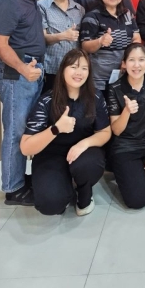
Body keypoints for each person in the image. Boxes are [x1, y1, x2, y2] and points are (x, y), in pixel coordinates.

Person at [20, 49, 110, 216]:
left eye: (84, 68)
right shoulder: (47, 100)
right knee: (50, 204)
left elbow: (105, 132)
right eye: (74, 67)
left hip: (83, 153)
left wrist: (84, 144)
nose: (79, 72)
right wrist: (56, 129)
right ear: (62, 70)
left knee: (87, 165)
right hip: (51, 156)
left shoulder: (95, 97)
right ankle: (65, 188)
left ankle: (84, 191)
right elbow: (26, 147)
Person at [0, 0, 47, 206]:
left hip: (30, 70)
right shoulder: (9, 1)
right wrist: (24, 69)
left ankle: (19, 179)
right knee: (16, 129)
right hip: (16, 73)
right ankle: (13, 189)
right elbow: (0, 44)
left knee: (25, 127)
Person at [106, 43, 145, 208]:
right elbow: (116, 130)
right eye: (131, 60)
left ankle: (140, 170)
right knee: (137, 200)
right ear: (124, 63)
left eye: (141, 60)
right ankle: (128, 171)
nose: (136, 65)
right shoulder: (115, 88)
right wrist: (126, 111)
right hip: (125, 146)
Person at [80, 0, 140, 94]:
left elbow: (136, 38)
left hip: (125, 73)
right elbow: (85, 46)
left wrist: (128, 60)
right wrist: (100, 41)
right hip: (100, 79)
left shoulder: (127, 14)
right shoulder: (92, 16)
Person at [38, 0, 85, 93]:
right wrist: (63, 36)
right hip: (51, 68)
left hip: (74, 68)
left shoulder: (79, 9)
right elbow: (42, 38)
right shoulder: (41, 7)